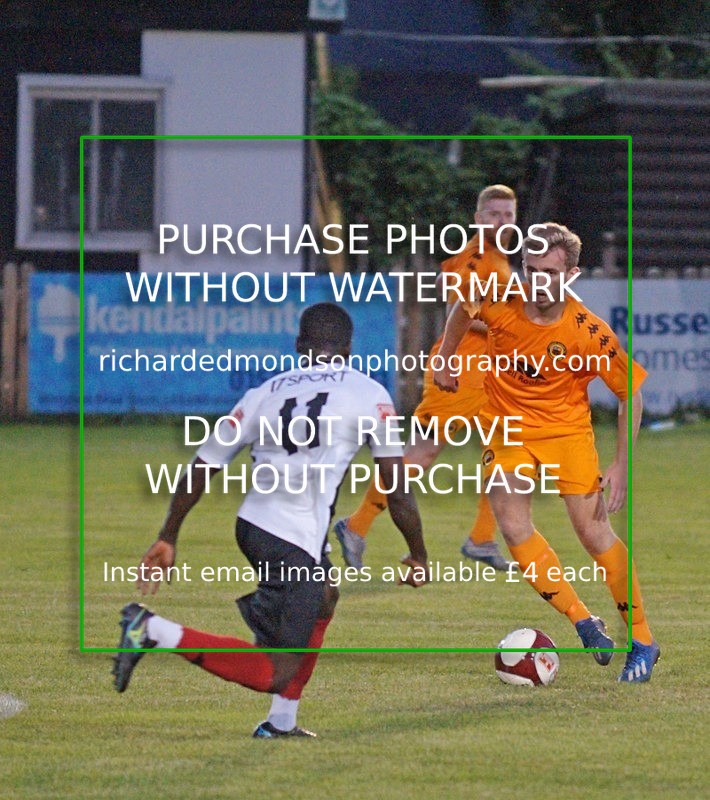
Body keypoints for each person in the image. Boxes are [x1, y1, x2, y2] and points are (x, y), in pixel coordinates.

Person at [112, 303, 429, 736]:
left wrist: (169, 533)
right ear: (350, 350)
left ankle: (281, 724)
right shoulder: (369, 392)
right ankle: (151, 629)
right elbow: (398, 489)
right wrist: (418, 554)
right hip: (290, 537)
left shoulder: (265, 392)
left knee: (325, 597)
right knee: (273, 672)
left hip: (258, 526)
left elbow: (203, 465)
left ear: (300, 346)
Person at [434, 222, 660, 683]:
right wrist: (445, 356)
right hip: (507, 429)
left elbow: (629, 394)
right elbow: (462, 308)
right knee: (513, 524)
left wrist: (621, 465)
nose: (539, 282)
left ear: (571, 274)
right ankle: (583, 621)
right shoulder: (499, 297)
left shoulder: (587, 333)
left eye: (550, 273)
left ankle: (644, 641)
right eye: (531, 270)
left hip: (566, 433)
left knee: (594, 536)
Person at [334, 184, 516, 572]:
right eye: (494, 214)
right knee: (422, 453)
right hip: (460, 372)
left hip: (491, 377)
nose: (502, 221)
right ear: (478, 218)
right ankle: (355, 525)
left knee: (509, 453)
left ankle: (483, 538)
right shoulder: (475, 259)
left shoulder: (496, 259)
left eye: (508, 215)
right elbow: (464, 311)